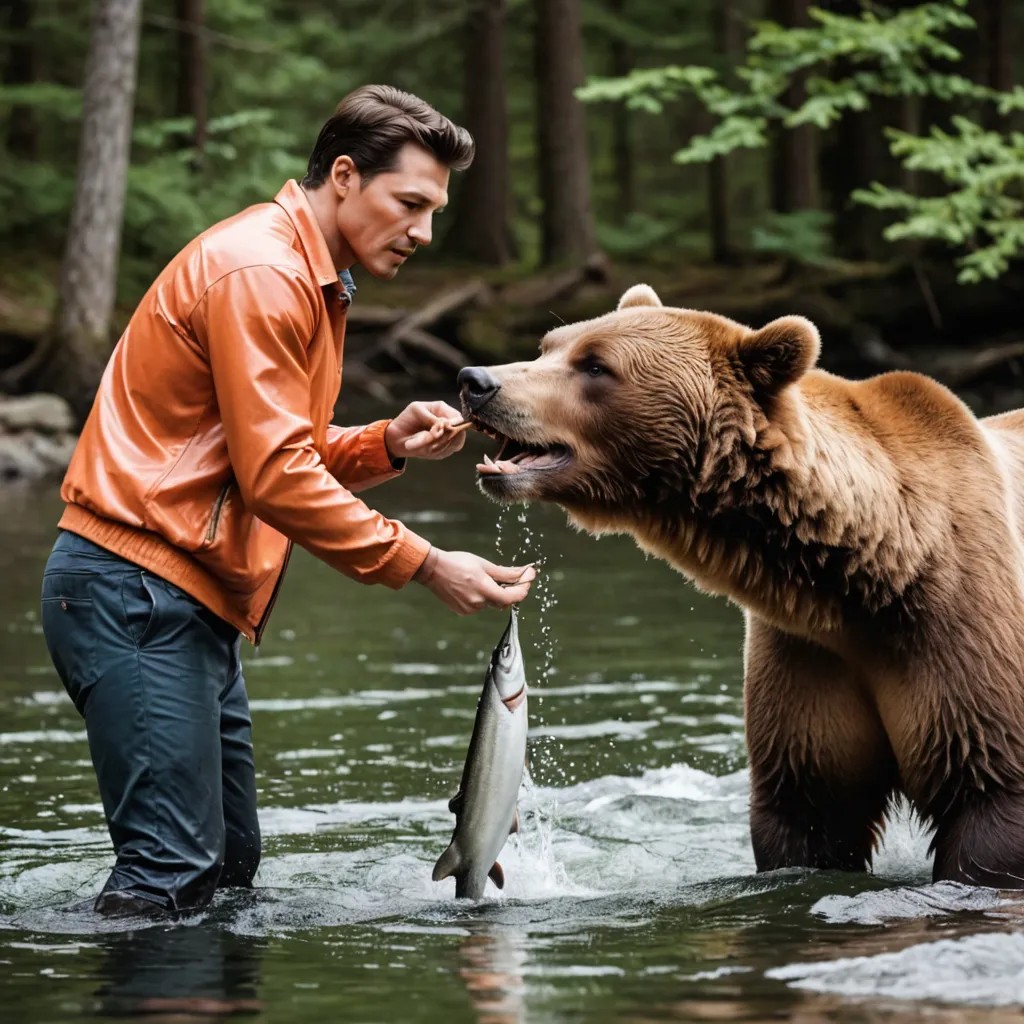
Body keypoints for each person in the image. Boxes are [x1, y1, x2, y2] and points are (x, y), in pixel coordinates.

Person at [40, 84, 536, 919]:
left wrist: (383, 444)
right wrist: (424, 563)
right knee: (170, 880)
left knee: (226, 874)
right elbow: (274, 477)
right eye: (409, 202)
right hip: (138, 592)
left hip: (178, 599)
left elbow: (261, 455)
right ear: (344, 175)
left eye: (435, 210)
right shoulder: (264, 272)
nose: (422, 231)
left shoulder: (304, 273)